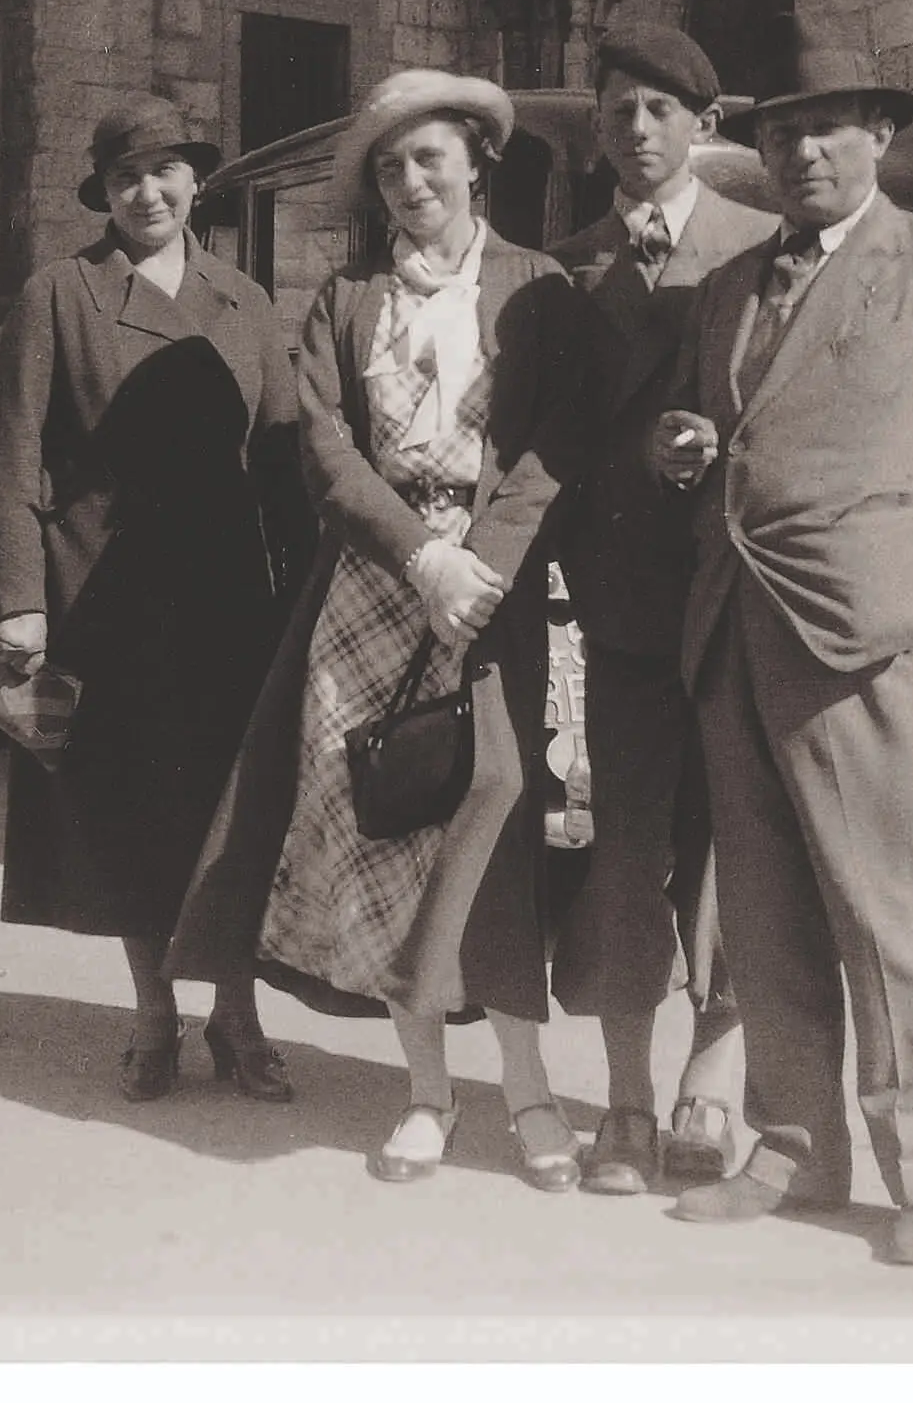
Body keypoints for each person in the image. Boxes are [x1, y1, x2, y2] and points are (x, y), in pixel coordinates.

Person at [648, 33, 913, 1266]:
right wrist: (679, 448)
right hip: (733, 629)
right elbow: (720, 435)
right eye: (780, 133)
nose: (803, 150)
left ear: (880, 136)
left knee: (888, 917)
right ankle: (796, 1149)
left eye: (829, 129)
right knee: (764, 918)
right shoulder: (726, 286)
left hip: (864, 637)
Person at [165, 69, 586, 1191]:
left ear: (475, 162)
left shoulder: (536, 287)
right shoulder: (346, 298)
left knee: (489, 812)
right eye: (390, 167)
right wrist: (421, 556)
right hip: (373, 586)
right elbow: (327, 450)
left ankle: (531, 1094)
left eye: (429, 158)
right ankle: (427, 1096)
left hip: (488, 600)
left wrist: (477, 569)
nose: (410, 182)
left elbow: (550, 449)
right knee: (388, 823)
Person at [0, 92, 313, 1107]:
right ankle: (155, 1014)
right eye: (126, 176)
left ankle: (239, 1015)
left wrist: (306, 601)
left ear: (195, 180)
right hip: (105, 599)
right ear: (105, 192)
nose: (147, 190)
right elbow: (13, 458)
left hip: (226, 604)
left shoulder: (245, 300)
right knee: (129, 815)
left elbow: (288, 456)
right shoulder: (60, 294)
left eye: (165, 170)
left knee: (233, 815)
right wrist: (21, 603)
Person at [545, 25, 778, 1198]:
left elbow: (796, 416)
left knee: (738, 845)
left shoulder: (763, 249)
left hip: (737, 600)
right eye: (618, 112)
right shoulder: (570, 262)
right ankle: (625, 1101)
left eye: (659, 112)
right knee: (626, 853)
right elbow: (551, 442)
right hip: (624, 608)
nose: (636, 132)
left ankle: (712, 1082)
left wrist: (715, 444)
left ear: (705, 127)